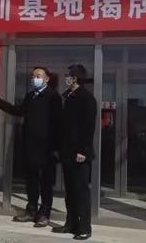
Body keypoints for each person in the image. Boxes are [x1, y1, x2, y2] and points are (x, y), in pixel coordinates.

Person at [0, 66, 62, 228]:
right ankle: (31, 211)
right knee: (31, 181)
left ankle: (44, 214)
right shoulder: (30, 96)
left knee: (45, 183)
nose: (34, 78)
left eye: (38, 76)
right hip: (30, 147)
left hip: (46, 148)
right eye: (33, 76)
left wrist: (57, 148)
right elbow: (18, 111)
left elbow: (59, 123)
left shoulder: (53, 96)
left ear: (47, 79)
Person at [53, 64, 98, 240]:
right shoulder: (69, 97)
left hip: (80, 153)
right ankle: (71, 224)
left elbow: (88, 127)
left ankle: (84, 227)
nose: (67, 78)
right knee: (70, 191)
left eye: (69, 75)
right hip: (67, 152)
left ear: (76, 78)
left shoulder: (87, 98)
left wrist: (82, 150)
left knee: (80, 191)